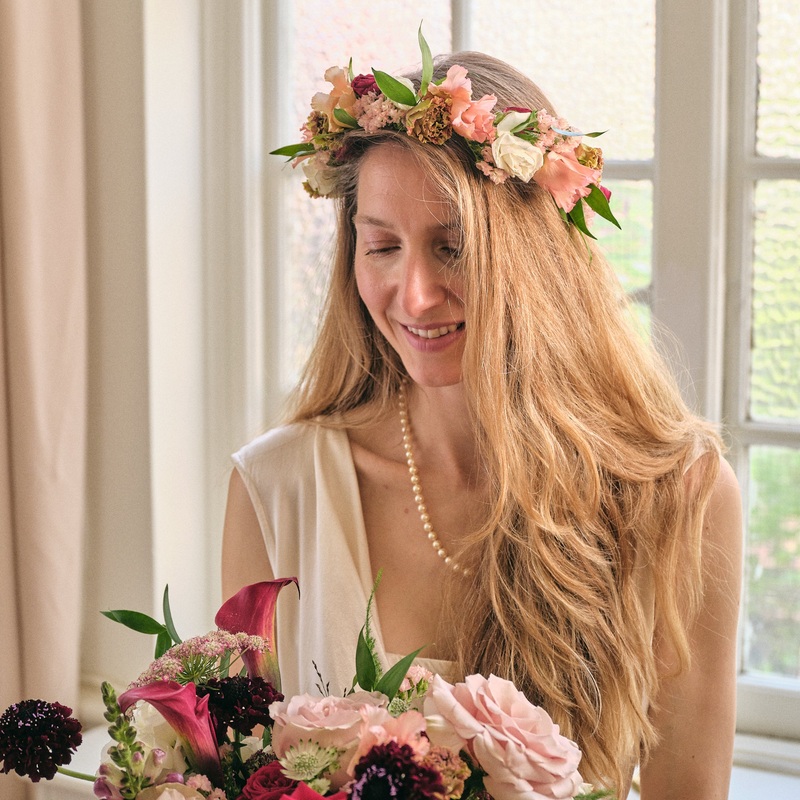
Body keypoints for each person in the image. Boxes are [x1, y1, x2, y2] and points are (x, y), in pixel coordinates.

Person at [221, 41, 742, 800]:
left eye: (453, 248)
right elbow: (241, 773)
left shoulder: (681, 494)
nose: (416, 294)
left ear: (533, 254)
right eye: (383, 247)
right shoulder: (276, 488)